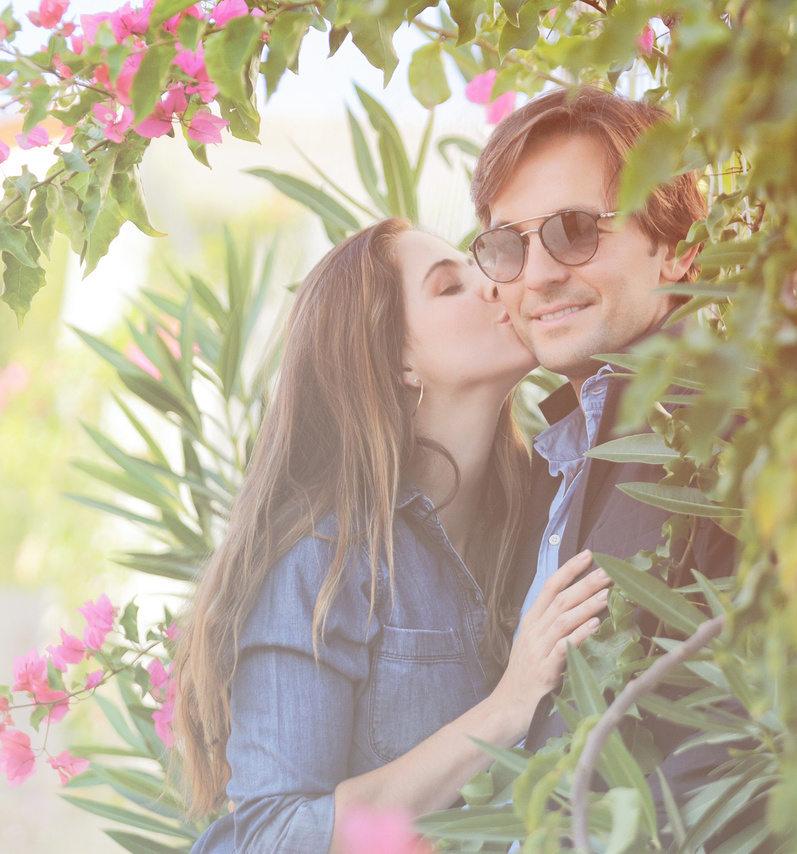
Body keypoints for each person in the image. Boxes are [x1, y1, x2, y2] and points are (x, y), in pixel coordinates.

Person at [174, 220, 615, 851]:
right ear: (397, 360)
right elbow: (270, 835)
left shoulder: (554, 503)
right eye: (448, 287)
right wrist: (507, 706)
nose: (494, 286)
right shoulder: (321, 557)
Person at [467, 87, 742, 803]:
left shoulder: (735, 442)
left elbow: (740, 753)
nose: (538, 274)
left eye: (576, 230)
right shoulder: (561, 459)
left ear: (680, 249)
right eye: (507, 246)